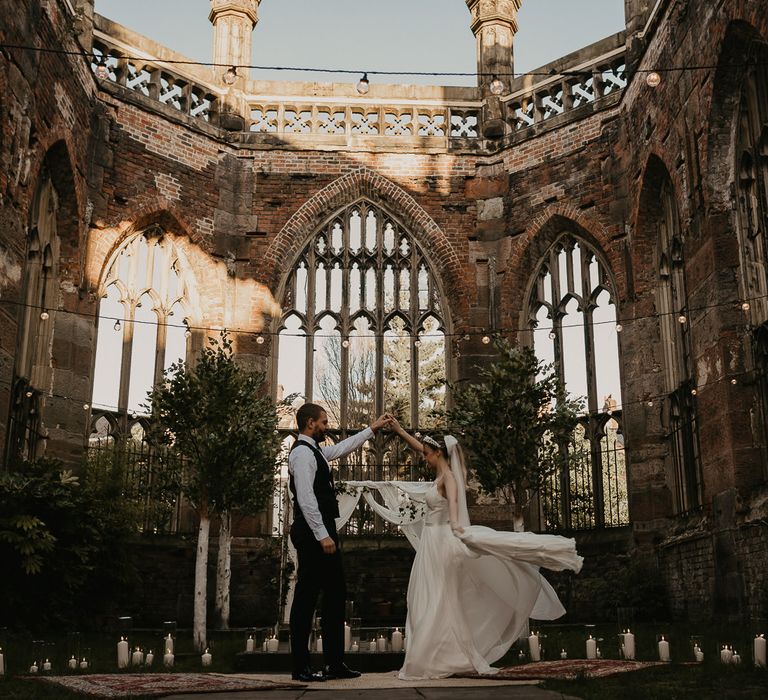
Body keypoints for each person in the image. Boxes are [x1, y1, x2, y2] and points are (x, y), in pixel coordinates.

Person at [388, 419, 583, 680]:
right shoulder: (438, 474)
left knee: (440, 598)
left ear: (438, 453)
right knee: (426, 598)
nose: (423, 458)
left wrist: (463, 534)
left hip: (442, 543)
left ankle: (434, 657)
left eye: (426, 454)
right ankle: (435, 654)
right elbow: (420, 447)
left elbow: (455, 518)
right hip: (430, 547)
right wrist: (400, 431)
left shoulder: (450, 480)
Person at [287, 403, 391, 682]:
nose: (326, 426)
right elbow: (306, 499)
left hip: (322, 530)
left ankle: (334, 664)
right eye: (323, 422)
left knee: (335, 594)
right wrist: (322, 534)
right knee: (307, 598)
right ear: (310, 423)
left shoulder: (316, 451)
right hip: (312, 533)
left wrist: (373, 428)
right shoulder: (301, 455)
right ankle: (301, 667)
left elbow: (342, 448)